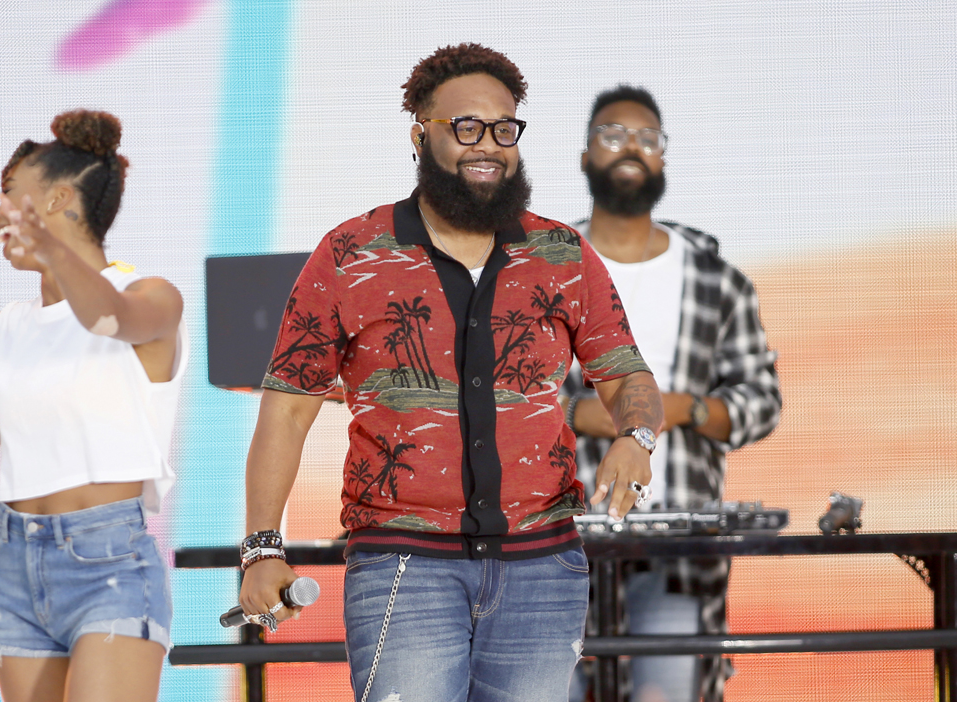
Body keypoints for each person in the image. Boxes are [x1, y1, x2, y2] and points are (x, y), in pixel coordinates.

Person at [238, 44, 663, 702]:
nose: (486, 144)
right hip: (403, 568)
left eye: (503, 128)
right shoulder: (352, 252)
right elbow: (287, 408)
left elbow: (626, 375)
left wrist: (636, 440)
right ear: (420, 136)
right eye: (465, 127)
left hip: (543, 567)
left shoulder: (562, 253)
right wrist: (263, 548)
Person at [0, 110, 187, 702]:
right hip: (15, 564)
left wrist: (56, 256)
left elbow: (107, 318)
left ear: (58, 199)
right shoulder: (4, 327)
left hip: (108, 561)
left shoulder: (152, 297)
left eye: (8, 197)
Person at [563, 85, 782, 702]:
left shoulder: (715, 280)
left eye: (647, 137)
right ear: (584, 156)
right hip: (558, 548)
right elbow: (505, 391)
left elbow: (761, 397)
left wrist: (688, 409)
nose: (631, 145)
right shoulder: (546, 271)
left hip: (681, 547)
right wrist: (580, 412)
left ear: (663, 158)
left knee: (669, 693)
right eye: (612, 133)